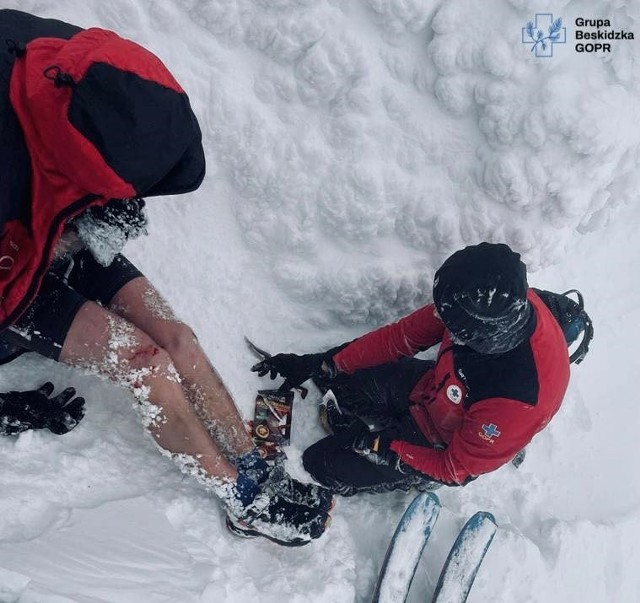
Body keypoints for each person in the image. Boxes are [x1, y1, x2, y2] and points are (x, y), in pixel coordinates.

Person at [0, 9, 332, 546]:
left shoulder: (62, 59)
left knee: (176, 339)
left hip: (54, 211)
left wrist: (100, 204)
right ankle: (243, 501)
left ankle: (252, 465)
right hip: (10, 280)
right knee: (146, 366)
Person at [252, 242, 574, 495]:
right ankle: (382, 424)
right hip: (430, 388)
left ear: (481, 336)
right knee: (340, 383)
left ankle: (400, 473)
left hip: (439, 444)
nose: (440, 322)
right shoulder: (477, 300)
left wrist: (378, 446)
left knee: (317, 464)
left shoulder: (516, 402)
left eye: (450, 325)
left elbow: (452, 469)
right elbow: (399, 338)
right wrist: (323, 363)